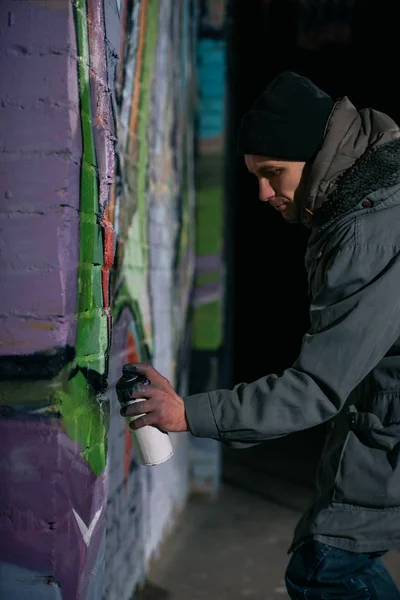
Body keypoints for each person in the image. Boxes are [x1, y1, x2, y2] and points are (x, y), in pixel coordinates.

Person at [119, 72, 400, 599]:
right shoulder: (371, 196)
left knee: (324, 569)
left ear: (316, 155)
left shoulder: (369, 229)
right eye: (255, 176)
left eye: (274, 173)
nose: (265, 193)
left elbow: (317, 387)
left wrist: (188, 414)